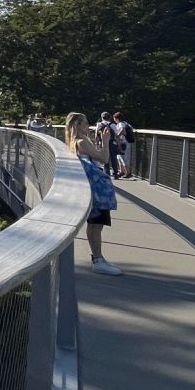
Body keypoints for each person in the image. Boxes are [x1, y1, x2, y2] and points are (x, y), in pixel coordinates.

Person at [65, 112, 121, 274]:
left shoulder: (73, 142)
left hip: (89, 186)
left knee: (94, 223)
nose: (88, 126)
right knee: (96, 224)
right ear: (77, 126)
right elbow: (104, 158)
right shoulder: (82, 142)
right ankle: (98, 260)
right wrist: (106, 141)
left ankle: (98, 258)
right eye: (85, 123)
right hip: (96, 189)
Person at [112, 110, 133, 178]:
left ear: (117, 119)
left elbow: (122, 129)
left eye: (114, 119)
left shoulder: (121, 124)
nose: (114, 120)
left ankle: (128, 172)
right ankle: (122, 171)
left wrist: (117, 136)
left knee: (123, 157)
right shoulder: (126, 123)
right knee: (119, 157)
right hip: (125, 142)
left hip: (124, 143)